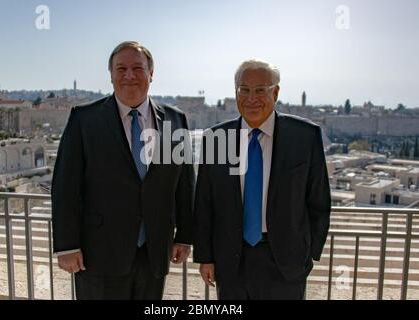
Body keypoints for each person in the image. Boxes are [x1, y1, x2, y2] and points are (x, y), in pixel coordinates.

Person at [51, 41, 194, 300]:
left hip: (154, 252)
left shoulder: (176, 119)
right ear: (111, 75)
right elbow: (65, 185)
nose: (129, 75)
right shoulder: (85, 119)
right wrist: (67, 245)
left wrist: (185, 235)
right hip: (99, 254)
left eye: (138, 68)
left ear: (151, 73)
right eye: (121, 69)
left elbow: (184, 183)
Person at [193, 59, 331, 300]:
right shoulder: (216, 138)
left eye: (260, 90)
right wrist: (205, 256)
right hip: (231, 262)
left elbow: (318, 201)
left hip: (285, 263)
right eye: (244, 90)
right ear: (235, 93)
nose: (251, 98)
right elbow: (205, 204)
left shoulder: (305, 137)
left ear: (275, 92)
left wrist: (308, 255)